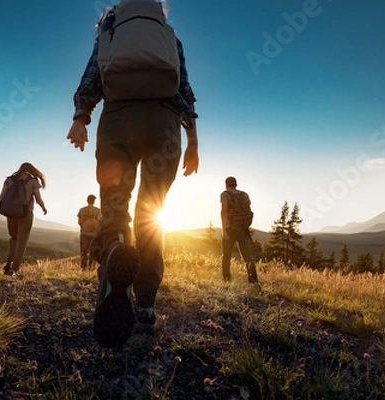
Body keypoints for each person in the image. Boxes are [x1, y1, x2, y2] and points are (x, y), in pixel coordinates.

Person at [67, 0, 199, 348]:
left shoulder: (110, 31)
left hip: (118, 121)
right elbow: (184, 90)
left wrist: (81, 117)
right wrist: (192, 142)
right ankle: (145, 308)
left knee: (114, 205)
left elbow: (92, 76)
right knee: (151, 213)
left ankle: (113, 251)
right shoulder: (168, 37)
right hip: (165, 127)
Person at [0, 162, 47, 278]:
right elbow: (38, 199)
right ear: (31, 170)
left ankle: (8, 264)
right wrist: (44, 208)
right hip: (25, 214)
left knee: (13, 238)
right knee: (22, 241)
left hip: (11, 213)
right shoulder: (32, 181)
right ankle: (14, 270)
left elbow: (1, 198)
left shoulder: (9, 180)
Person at [220, 176, 258, 284]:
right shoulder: (244, 195)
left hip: (230, 229)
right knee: (247, 257)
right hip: (243, 229)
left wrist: (224, 231)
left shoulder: (225, 195)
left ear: (226, 185)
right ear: (236, 184)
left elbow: (224, 212)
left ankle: (227, 281)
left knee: (226, 256)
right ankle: (254, 282)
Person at [77, 194, 102, 270]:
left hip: (84, 234)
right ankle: (91, 268)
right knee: (93, 252)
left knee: (83, 252)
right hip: (94, 234)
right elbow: (100, 221)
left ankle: (83, 268)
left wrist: (83, 228)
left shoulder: (82, 210)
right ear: (94, 201)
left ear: (87, 200)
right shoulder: (98, 210)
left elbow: (79, 222)